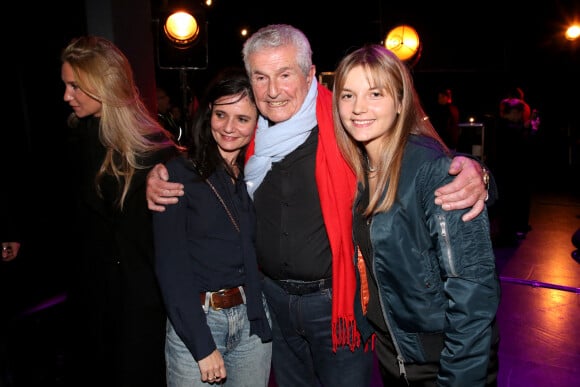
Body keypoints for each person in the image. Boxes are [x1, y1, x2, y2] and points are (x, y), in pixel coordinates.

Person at [146, 24, 490, 386]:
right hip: (272, 303)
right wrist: (163, 172)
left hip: (335, 304)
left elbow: (417, 153)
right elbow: (206, 161)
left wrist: (474, 171)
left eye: (284, 74)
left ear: (310, 74)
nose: (273, 91)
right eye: (260, 78)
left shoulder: (347, 123)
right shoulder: (251, 136)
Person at [333, 43, 500, 386]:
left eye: (374, 93)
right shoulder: (363, 169)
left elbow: (473, 294)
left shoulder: (434, 171)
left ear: (400, 102)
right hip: (393, 353)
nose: (358, 108)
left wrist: (458, 378)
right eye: (348, 95)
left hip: (441, 362)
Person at [60, 35, 182, 387]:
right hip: (93, 292)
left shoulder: (155, 152)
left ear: (103, 85)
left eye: (75, 86)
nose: (67, 96)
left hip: (141, 301)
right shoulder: (78, 138)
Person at [153, 67, 272, 387]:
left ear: (257, 123)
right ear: (208, 114)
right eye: (221, 114)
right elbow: (170, 267)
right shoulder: (178, 174)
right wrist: (202, 346)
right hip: (199, 320)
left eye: (242, 119)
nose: (229, 127)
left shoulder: (259, 172)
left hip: (252, 321)